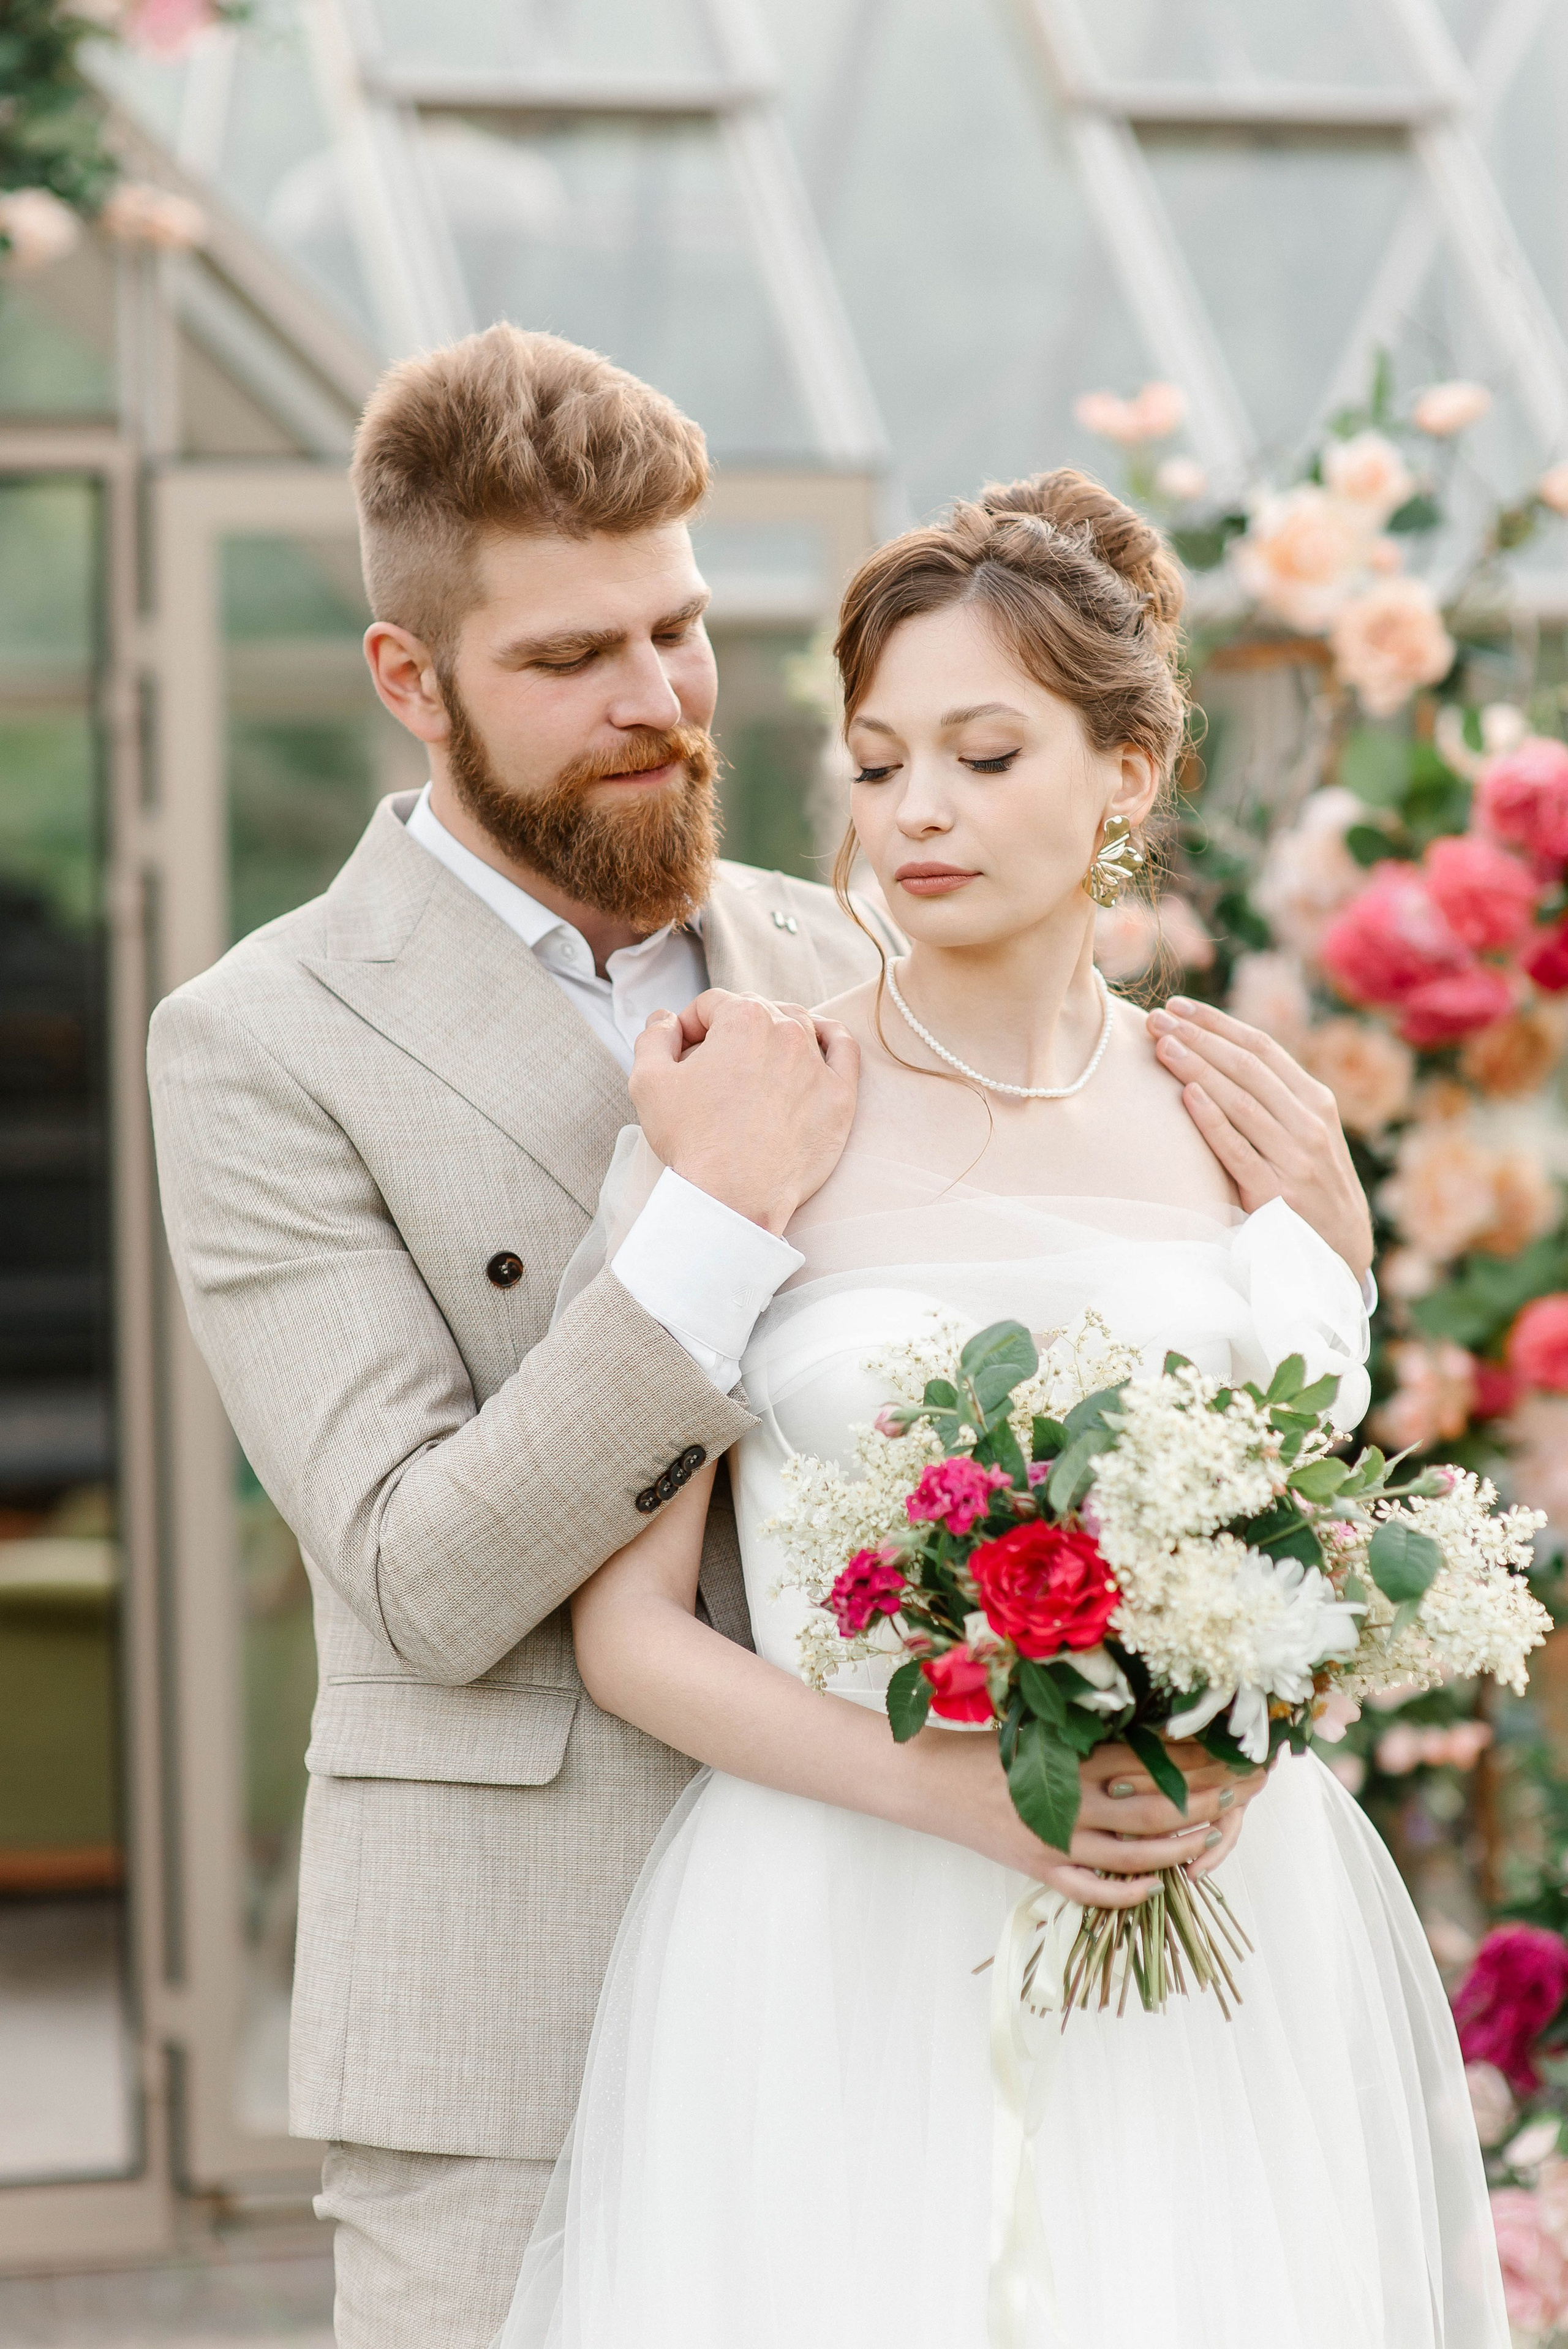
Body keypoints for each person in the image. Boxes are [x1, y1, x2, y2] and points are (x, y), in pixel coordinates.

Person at [146, 322, 1378, 2349]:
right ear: (408, 680)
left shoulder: (852, 945)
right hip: (513, 2012)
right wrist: (706, 1232)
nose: (654, 703)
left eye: (684, 630)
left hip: (948, 1959)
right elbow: (423, 1576)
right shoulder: (260, 1046)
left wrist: (1315, 1269)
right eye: (568, 660)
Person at [495, 474, 1507, 2349]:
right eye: (879, 766)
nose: (917, 814)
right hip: (833, 1919)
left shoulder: (1243, 1120)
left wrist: (1234, 1730)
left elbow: (1325, 1548)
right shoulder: (758, 1112)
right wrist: (943, 1784)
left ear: (1130, 771)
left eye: (981, 751)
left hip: (1203, 1933)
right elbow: (624, 1627)